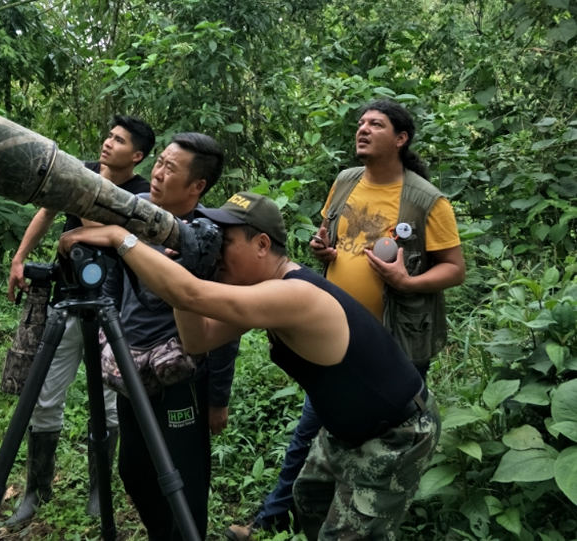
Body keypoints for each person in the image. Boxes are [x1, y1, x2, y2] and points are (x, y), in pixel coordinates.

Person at [58, 191, 442, 541]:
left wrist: (120, 238)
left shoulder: (295, 293)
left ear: (261, 244)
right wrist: (191, 269)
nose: (215, 252)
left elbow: (187, 293)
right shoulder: (265, 291)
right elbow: (197, 339)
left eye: (223, 243)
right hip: (348, 429)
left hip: (396, 433)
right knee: (308, 503)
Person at [227, 99, 466, 540]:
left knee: (385, 437)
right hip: (339, 337)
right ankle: (277, 518)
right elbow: (338, 240)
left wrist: (407, 282)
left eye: (376, 124)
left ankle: (367, 514)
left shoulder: (426, 200)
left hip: (396, 340)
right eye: (361, 123)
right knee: (314, 431)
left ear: (401, 138)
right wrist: (326, 250)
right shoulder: (345, 182)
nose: (363, 129)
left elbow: (455, 267)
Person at [5, 115, 156, 527]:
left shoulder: (140, 194)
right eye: (108, 135)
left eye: (119, 140)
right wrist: (19, 258)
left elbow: (112, 235)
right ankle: (36, 489)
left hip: (113, 308)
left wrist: (83, 195)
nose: (108, 143)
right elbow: (48, 210)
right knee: (44, 397)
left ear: (137, 155)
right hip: (67, 299)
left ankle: (98, 488)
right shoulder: (83, 172)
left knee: (108, 406)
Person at [89, 132, 237, 541]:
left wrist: (217, 397)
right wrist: (109, 341)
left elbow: (223, 323)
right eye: (159, 163)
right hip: (131, 372)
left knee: (183, 478)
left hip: (181, 380)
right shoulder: (133, 222)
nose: (156, 173)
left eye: (170, 169)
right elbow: (110, 288)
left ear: (197, 186)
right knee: (133, 470)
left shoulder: (205, 236)